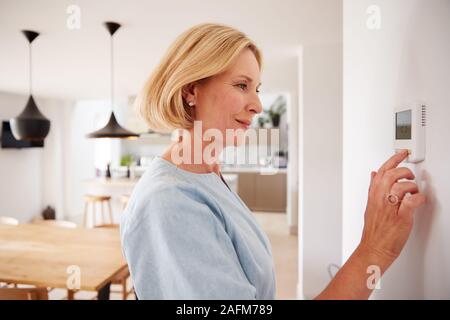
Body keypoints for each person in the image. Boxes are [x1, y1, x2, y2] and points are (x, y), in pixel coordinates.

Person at [120, 23, 426, 299]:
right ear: (190, 91)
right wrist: (374, 250)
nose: (257, 105)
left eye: (257, 88)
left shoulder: (206, 174)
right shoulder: (171, 202)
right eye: (241, 85)